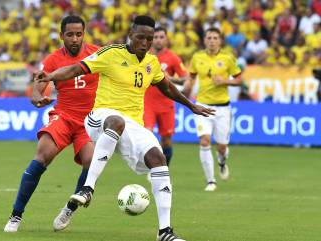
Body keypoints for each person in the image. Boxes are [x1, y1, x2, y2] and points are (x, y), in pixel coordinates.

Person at [36, 15, 214, 241]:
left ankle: (165, 231)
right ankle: (87, 189)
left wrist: (191, 106)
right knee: (116, 121)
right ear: (131, 35)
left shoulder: (152, 63)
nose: (145, 42)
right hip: (99, 117)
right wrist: (50, 76)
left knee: (158, 159)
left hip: (132, 125)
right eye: (140, 37)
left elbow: (167, 87)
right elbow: (75, 70)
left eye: (149, 39)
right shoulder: (110, 53)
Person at [4, 15, 99, 232]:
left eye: (79, 34)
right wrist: (37, 97)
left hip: (89, 121)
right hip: (63, 116)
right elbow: (37, 86)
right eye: (70, 34)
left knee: (91, 161)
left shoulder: (97, 53)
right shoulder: (53, 59)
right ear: (61, 36)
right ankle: (16, 215)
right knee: (42, 155)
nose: (75, 39)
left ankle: (69, 208)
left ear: (83, 34)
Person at [183, 27, 242, 192]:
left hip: (223, 108)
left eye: (215, 38)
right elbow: (192, 76)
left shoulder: (228, 58)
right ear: (204, 40)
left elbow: (239, 80)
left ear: (220, 40)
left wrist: (224, 81)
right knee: (204, 140)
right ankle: (210, 181)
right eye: (209, 37)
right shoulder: (197, 57)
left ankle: (222, 162)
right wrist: (187, 85)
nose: (212, 40)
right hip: (203, 106)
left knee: (222, 147)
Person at [144, 26, 187, 166]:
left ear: (166, 39)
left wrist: (170, 78)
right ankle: (151, 167)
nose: (158, 40)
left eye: (161, 37)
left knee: (166, 140)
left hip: (166, 103)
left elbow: (184, 78)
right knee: (148, 135)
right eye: (155, 37)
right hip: (147, 103)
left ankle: (163, 169)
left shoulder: (173, 58)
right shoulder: (144, 55)